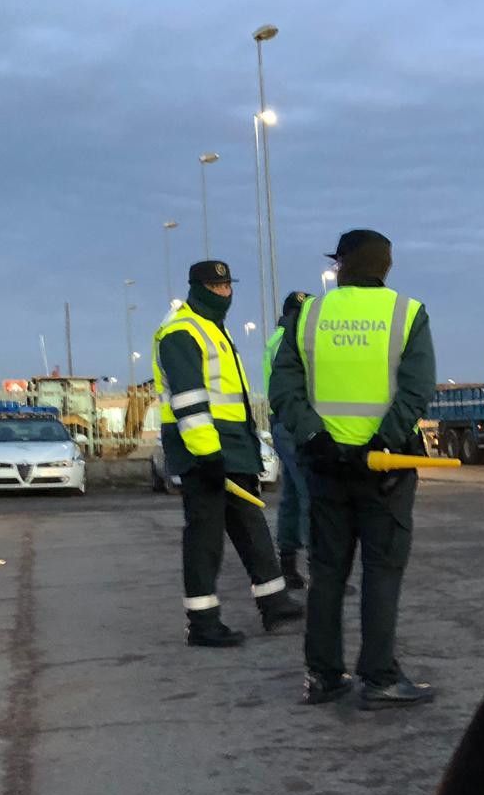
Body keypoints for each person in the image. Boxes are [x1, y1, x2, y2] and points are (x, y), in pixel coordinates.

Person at [269, 230, 437, 709]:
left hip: (326, 467)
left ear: (342, 265)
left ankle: (323, 676)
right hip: (385, 468)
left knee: (327, 572)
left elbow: (284, 388)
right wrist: (383, 440)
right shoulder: (407, 313)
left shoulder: (308, 315)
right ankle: (378, 677)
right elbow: (417, 388)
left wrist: (315, 437)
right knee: (382, 571)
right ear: (386, 266)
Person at [155, 260, 304, 647]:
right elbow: (188, 398)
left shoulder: (212, 328)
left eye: (226, 286)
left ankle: (275, 603)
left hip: (231, 446)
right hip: (204, 450)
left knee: (251, 526)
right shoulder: (181, 331)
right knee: (205, 536)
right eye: (215, 287)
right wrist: (206, 454)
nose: (224, 293)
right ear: (197, 288)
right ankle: (202, 622)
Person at [264, 290, 313, 589]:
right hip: (294, 421)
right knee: (311, 494)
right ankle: (319, 569)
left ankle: (288, 566)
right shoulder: (292, 340)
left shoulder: (275, 339)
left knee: (292, 496)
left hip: (280, 422)